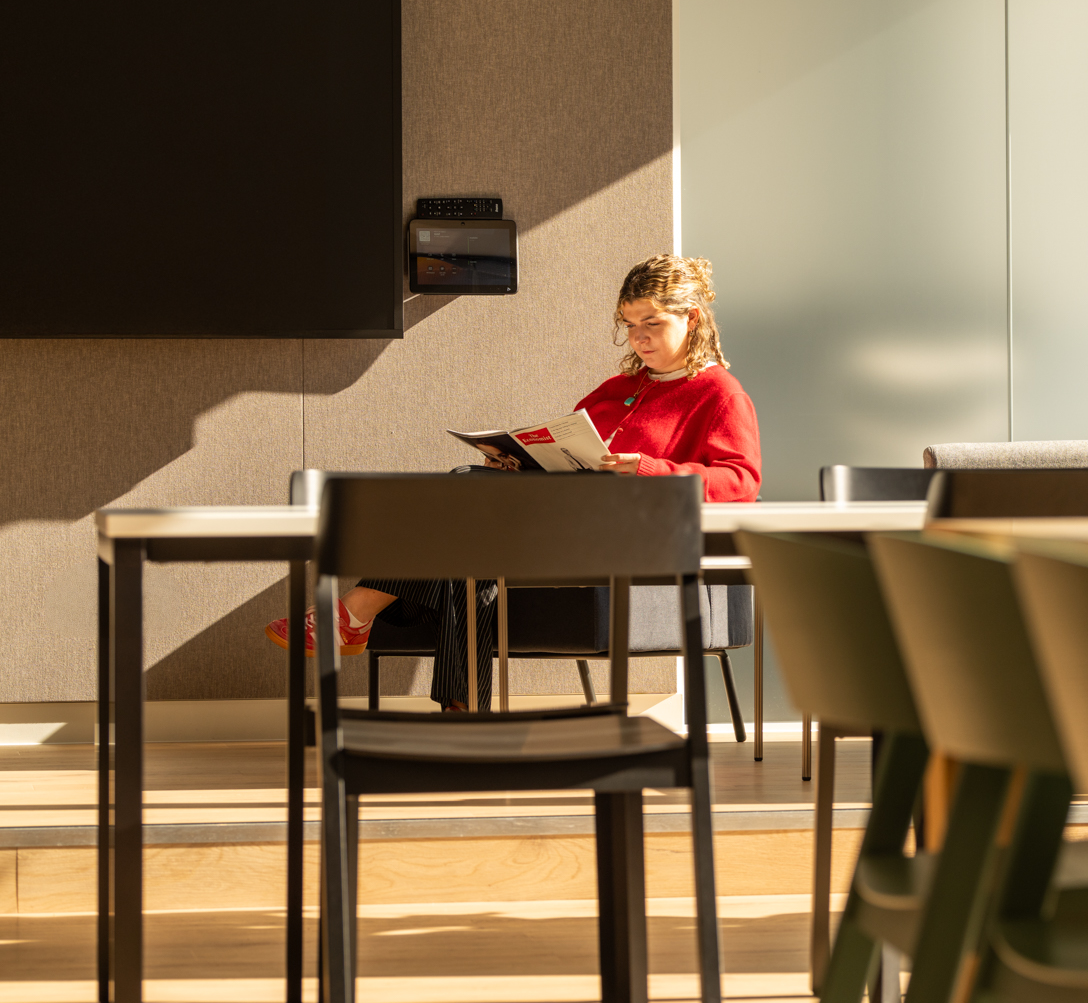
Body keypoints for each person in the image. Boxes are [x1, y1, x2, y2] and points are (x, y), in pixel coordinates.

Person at [268, 254, 761, 709]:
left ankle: (355, 611)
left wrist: (651, 468)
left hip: (627, 538)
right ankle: (460, 712)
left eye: (652, 324)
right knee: (472, 531)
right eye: (630, 326)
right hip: (564, 519)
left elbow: (740, 481)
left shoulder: (719, 394)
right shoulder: (619, 388)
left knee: (469, 509)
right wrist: (522, 462)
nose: (639, 338)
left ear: (692, 319)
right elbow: (574, 451)